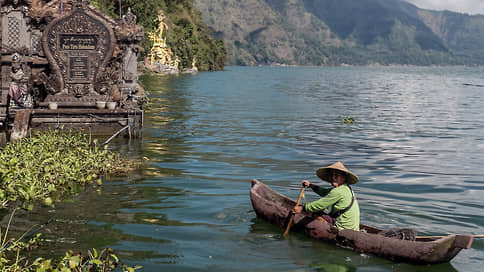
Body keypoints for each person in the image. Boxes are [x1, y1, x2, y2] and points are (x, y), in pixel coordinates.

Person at [293, 161, 360, 231]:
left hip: (343, 228)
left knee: (315, 212)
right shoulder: (345, 188)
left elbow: (319, 205)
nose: (333, 177)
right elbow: (325, 192)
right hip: (353, 227)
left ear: (343, 177)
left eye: (337, 175)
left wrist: (302, 208)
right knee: (315, 209)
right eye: (331, 175)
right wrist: (311, 185)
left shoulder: (338, 191)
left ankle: (330, 229)